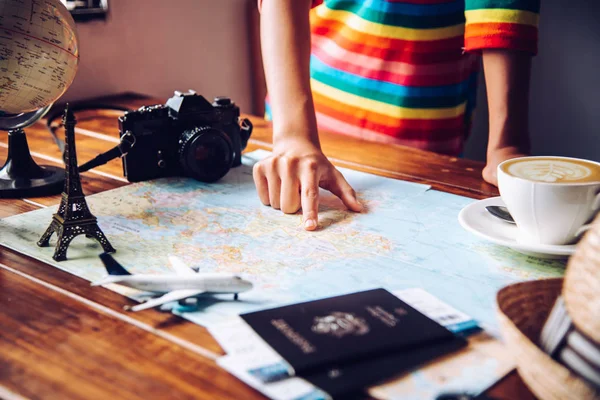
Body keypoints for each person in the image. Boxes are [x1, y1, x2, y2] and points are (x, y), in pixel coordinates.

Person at [253, 0, 538, 231]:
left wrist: (506, 146)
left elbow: (503, 10)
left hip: (423, 150)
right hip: (308, 127)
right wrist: (294, 136)